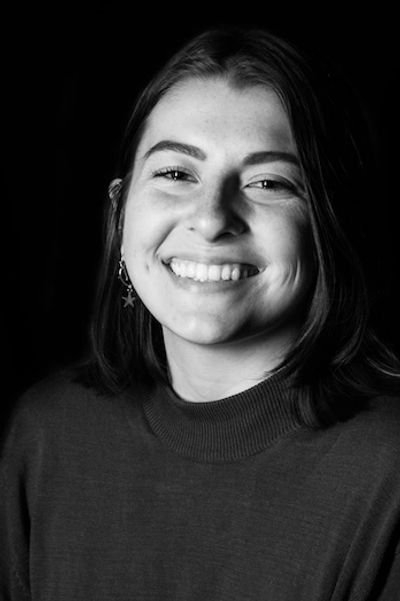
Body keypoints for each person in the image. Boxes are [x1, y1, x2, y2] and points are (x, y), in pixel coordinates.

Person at [1, 25, 400, 601]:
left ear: (328, 225)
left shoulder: (387, 472)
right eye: (176, 174)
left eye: (268, 182)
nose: (212, 219)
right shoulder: (45, 436)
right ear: (119, 209)